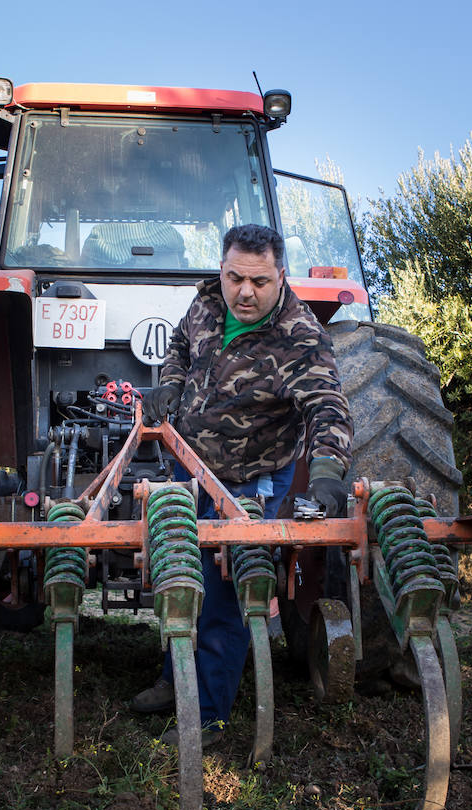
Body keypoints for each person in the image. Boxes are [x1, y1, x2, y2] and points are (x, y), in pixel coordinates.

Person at [132, 223, 352, 747]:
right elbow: (181, 347)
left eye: (258, 281)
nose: (244, 293)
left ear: (280, 276)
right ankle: (173, 678)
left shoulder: (301, 336)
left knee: (224, 586)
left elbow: (327, 407)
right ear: (222, 270)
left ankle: (206, 713)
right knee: (179, 566)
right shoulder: (208, 302)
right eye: (235, 278)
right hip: (191, 466)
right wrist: (170, 386)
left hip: (253, 479)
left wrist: (324, 474)